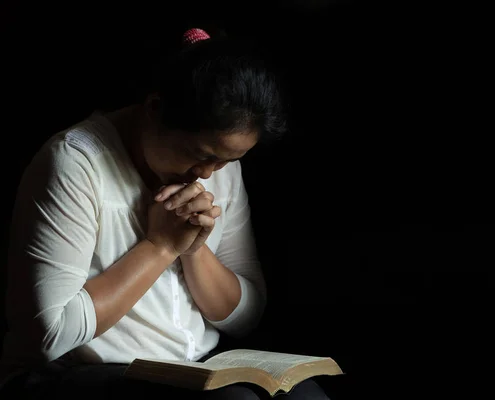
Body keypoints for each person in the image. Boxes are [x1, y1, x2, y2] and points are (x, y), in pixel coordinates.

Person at [0, 27, 330, 399]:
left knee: (307, 396)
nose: (208, 174)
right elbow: (48, 334)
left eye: (228, 161)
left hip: (193, 366)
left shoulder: (220, 168)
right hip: (73, 374)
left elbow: (246, 316)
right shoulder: (75, 163)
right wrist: (160, 246)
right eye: (202, 154)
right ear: (154, 109)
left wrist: (193, 248)